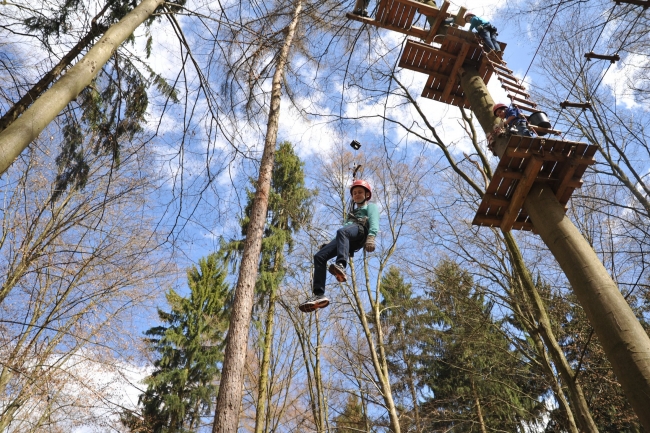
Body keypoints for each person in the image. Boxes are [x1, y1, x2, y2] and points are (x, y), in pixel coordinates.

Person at [299, 179, 380, 313]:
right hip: (348, 236)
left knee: (342, 232)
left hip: (361, 232)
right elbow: (344, 229)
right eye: (354, 193)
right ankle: (319, 294)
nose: (357, 195)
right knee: (319, 256)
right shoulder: (351, 214)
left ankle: (341, 265)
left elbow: (374, 220)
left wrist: (371, 237)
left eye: (360, 192)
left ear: (367, 195)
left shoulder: (370, 207)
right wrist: (330, 243)